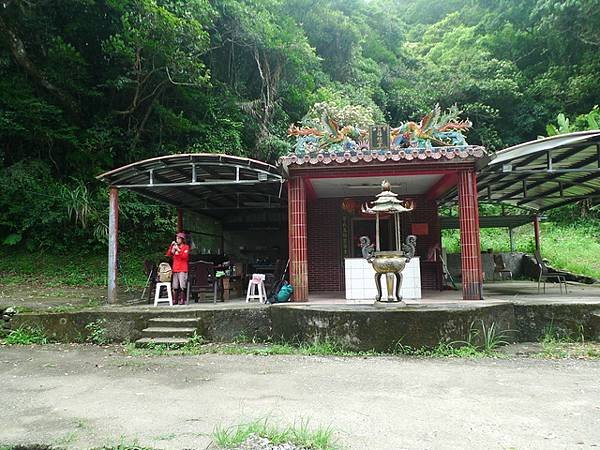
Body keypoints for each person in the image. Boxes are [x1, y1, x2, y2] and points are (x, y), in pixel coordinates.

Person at [165, 232, 190, 305]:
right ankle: (175, 299)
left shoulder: (186, 247)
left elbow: (185, 257)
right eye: (176, 238)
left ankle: (182, 299)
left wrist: (178, 250)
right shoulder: (174, 246)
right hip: (175, 268)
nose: (177, 239)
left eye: (179, 238)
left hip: (183, 268)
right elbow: (168, 255)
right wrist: (171, 247)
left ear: (182, 239)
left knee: (182, 284)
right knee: (175, 285)